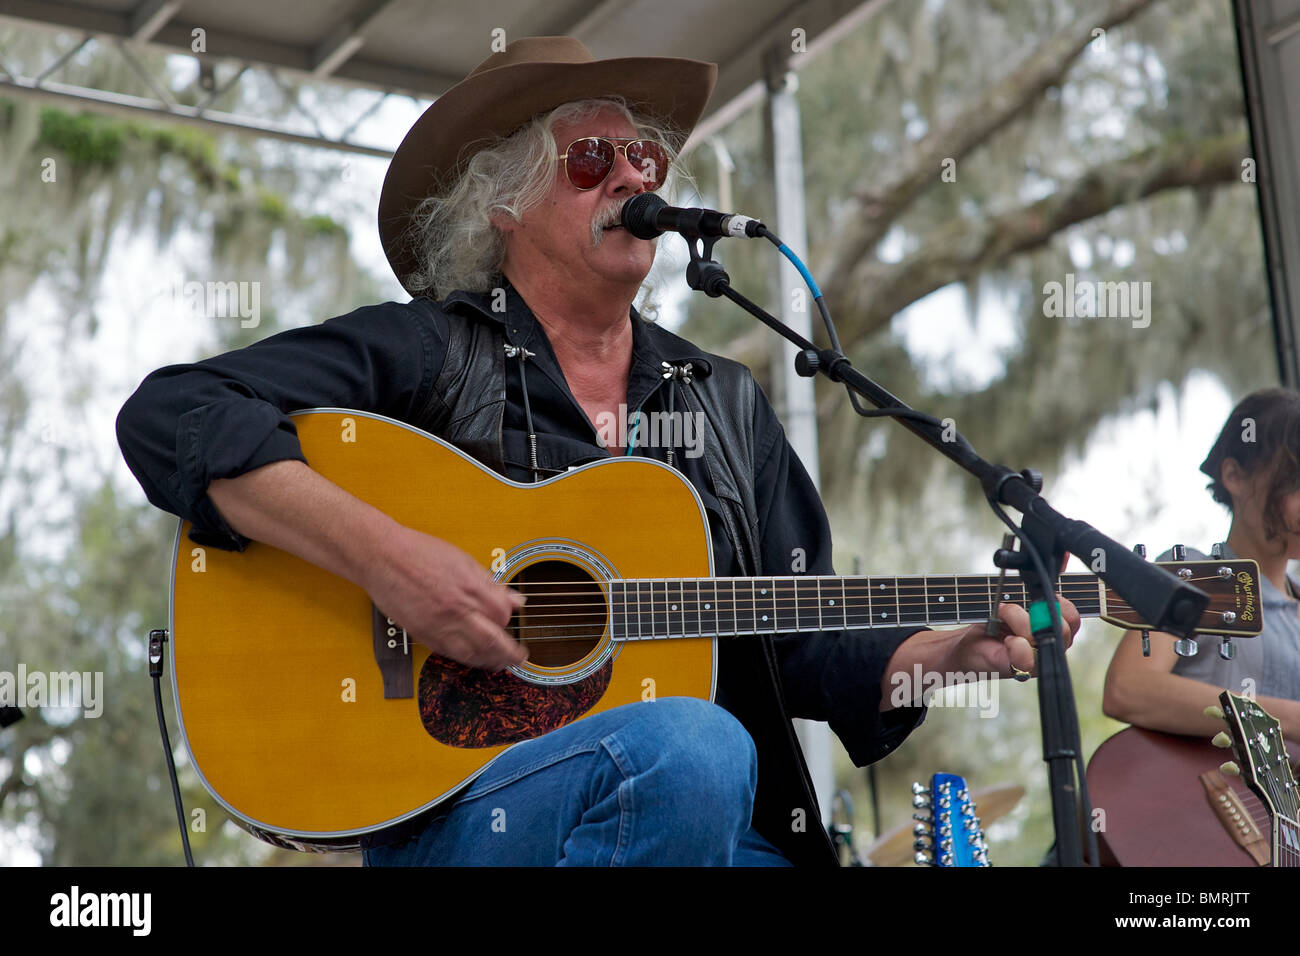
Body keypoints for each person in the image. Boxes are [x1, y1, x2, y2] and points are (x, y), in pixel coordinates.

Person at [116, 36, 1078, 866]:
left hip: (721, 837)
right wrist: (392, 563)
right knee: (694, 747)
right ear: (502, 201)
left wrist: (956, 650)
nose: (632, 178)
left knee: (710, 766)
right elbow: (173, 412)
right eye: (590, 160)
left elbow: (809, 642)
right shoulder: (428, 353)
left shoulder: (724, 404)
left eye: (645, 158)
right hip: (466, 820)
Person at [1103, 387, 1300, 742]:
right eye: (1295, 484)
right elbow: (1129, 688)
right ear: (1235, 477)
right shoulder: (1195, 573)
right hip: (1210, 796)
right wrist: (1287, 719)